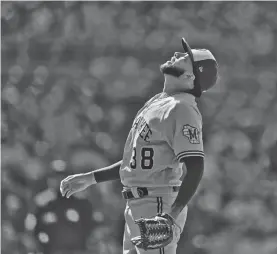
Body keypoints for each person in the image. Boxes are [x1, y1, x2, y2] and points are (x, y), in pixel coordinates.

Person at [60, 38, 219, 254]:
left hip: (158, 204)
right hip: (137, 204)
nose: (177, 54)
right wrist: (91, 178)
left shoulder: (182, 108)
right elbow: (135, 162)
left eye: (186, 58)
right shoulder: (159, 101)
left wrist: (170, 216)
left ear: (191, 76)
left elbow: (196, 166)